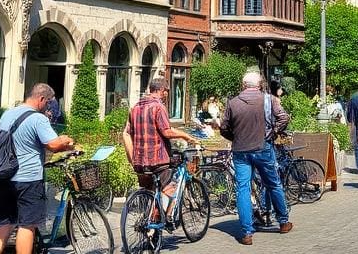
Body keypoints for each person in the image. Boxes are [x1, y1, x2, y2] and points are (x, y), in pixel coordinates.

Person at [0, 83, 75, 254]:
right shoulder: (38, 118)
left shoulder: (7, 114)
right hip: (28, 179)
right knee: (27, 225)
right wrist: (65, 141)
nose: (49, 106)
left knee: (5, 223)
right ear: (41, 99)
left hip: (6, 177)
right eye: (49, 102)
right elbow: (52, 144)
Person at [219, 71, 293, 245]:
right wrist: (272, 133)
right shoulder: (269, 99)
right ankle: (283, 222)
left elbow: (224, 128)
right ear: (259, 85)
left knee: (243, 189)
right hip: (263, 148)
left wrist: (235, 138)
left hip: (241, 151)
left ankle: (246, 233)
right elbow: (283, 117)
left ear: (243, 85)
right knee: (273, 183)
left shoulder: (233, 103)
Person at [123, 76, 201, 215]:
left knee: (150, 191)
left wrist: (132, 158)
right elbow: (166, 131)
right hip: (157, 160)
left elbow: (127, 134)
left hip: (140, 162)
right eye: (166, 91)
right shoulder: (158, 107)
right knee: (171, 185)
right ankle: (160, 218)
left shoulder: (135, 107)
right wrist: (186, 136)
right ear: (161, 90)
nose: (166, 95)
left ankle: (149, 223)